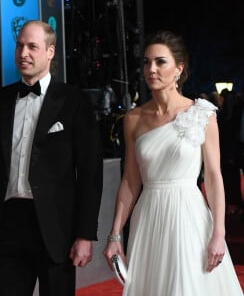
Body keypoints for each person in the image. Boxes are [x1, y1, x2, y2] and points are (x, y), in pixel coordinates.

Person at [103, 30, 243, 295]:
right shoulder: (133, 119)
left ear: (179, 68)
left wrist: (219, 233)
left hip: (189, 217)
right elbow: (130, 180)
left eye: (160, 62)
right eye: (146, 62)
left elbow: (213, 177)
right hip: (149, 218)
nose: (151, 69)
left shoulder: (202, 113)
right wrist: (115, 234)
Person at [0, 20, 103, 296]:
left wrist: (85, 234)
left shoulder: (73, 101)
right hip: (9, 226)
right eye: (20, 45)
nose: (24, 53)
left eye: (32, 46)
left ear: (50, 52)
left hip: (57, 228)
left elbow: (90, 174)